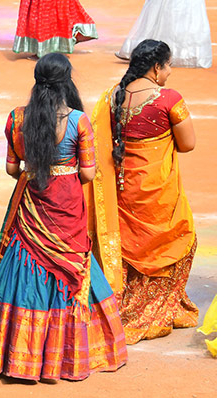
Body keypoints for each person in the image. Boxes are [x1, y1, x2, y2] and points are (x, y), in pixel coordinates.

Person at [0, 54, 128, 381]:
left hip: (31, 210)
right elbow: (88, 173)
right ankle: (65, 358)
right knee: (73, 267)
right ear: (66, 80)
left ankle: (17, 356)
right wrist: (62, 175)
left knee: (24, 264)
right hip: (66, 209)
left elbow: (12, 168)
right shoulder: (79, 121)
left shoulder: (17, 118)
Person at [85, 40, 198, 345]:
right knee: (181, 236)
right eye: (168, 66)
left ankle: (124, 300)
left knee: (129, 244)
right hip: (158, 194)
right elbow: (188, 144)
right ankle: (160, 306)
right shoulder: (169, 99)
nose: (170, 72)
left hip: (123, 191)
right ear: (155, 67)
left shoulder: (112, 98)